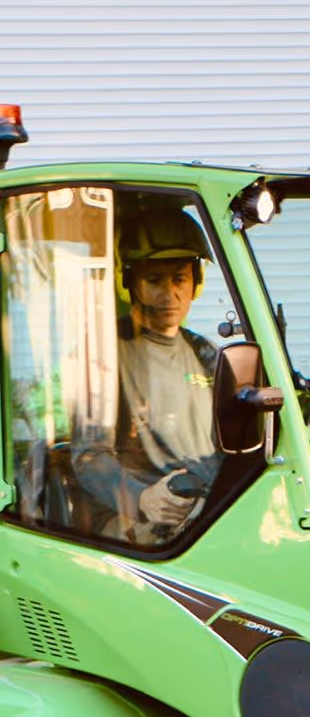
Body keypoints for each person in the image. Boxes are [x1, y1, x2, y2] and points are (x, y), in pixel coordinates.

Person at [73, 206, 222, 543]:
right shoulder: (105, 352)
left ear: (195, 284)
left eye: (179, 279)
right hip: (135, 522)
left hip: (205, 510)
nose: (169, 293)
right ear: (130, 281)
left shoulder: (206, 353)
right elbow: (88, 455)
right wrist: (141, 497)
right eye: (154, 280)